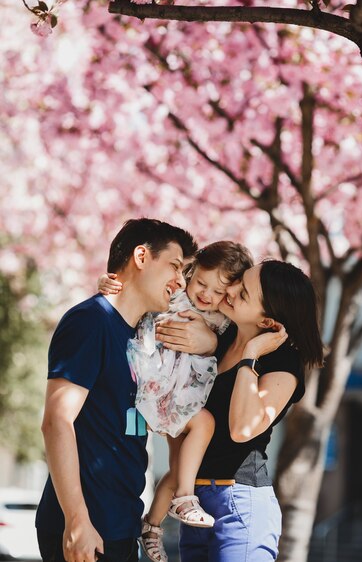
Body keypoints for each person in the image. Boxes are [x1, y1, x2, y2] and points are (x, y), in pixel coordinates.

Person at [35, 218, 198, 562]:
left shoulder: (144, 338)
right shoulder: (91, 320)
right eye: (173, 265)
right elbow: (56, 421)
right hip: (86, 529)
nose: (180, 281)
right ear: (141, 256)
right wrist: (77, 520)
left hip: (121, 527)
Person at [155, 259, 324, 562]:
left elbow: (242, 428)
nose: (230, 291)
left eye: (244, 293)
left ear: (267, 323)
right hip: (193, 504)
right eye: (239, 281)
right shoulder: (219, 335)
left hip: (239, 503)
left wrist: (251, 356)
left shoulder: (282, 364)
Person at [98, 241, 254, 562]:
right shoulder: (173, 294)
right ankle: (184, 497)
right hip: (161, 386)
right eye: (201, 283)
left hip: (185, 393)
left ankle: (152, 526)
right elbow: (134, 292)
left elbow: (244, 328)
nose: (206, 295)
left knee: (181, 466)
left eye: (218, 291)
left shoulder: (222, 318)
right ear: (190, 272)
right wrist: (109, 285)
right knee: (205, 424)